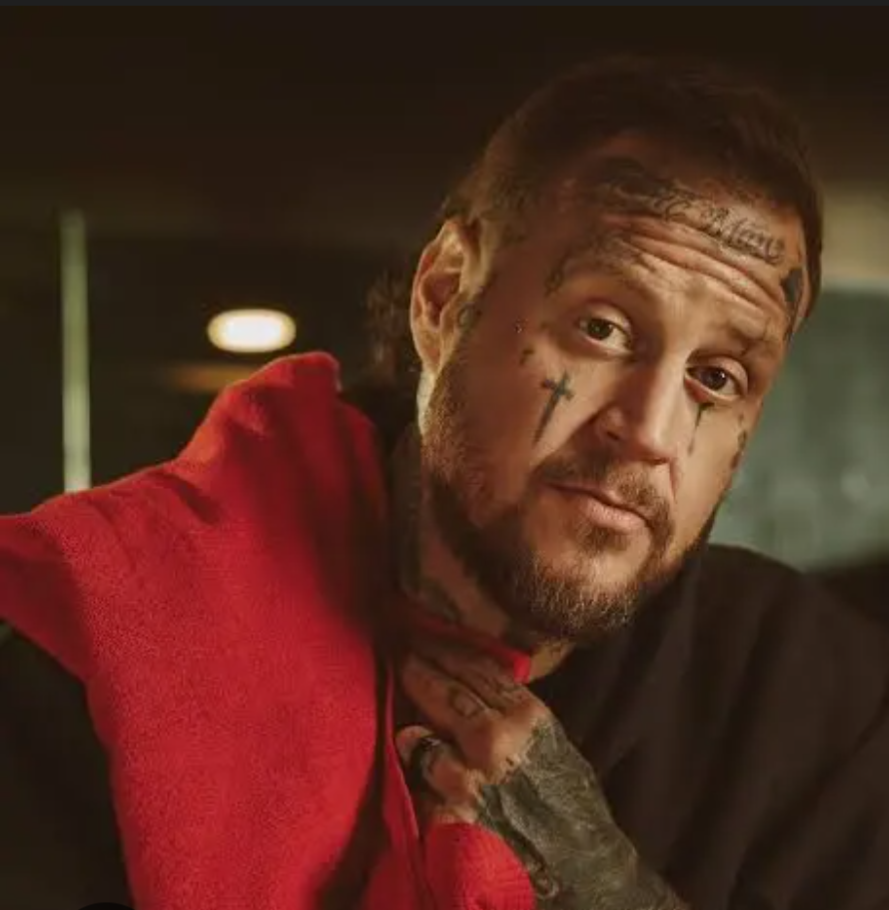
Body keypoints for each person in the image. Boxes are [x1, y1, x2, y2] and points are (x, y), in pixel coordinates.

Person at [1, 55, 888, 910]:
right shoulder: (93, 635)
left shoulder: (820, 709)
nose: (650, 432)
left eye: (716, 378)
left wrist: (609, 894)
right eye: (602, 328)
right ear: (443, 296)